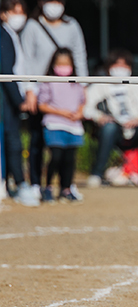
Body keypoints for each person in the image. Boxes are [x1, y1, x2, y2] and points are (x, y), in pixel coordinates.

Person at [22, 0, 89, 204]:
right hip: (41, 90)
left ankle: (67, 186)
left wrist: (84, 86)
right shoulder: (32, 26)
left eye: (58, 1)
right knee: (37, 141)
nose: (54, 6)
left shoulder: (72, 26)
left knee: (66, 147)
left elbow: (79, 56)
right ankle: (35, 184)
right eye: (50, 1)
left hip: (68, 92)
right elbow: (27, 60)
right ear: (41, 3)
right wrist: (29, 90)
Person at [84, 49, 138, 188]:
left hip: (136, 129)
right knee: (108, 129)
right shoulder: (99, 85)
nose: (120, 69)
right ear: (108, 67)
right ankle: (96, 174)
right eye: (116, 65)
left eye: (124, 66)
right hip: (114, 130)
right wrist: (99, 117)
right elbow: (85, 108)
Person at [35, 48, 87, 202]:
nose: (63, 66)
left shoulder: (76, 83)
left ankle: (66, 188)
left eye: (67, 63)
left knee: (69, 159)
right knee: (56, 156)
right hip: (54, 124)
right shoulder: (48, 81)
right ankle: (48, 187)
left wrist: (79, 113)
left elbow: (83, 102)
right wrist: (62, 112)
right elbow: (42, 105)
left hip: (73, 125)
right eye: (60, 63)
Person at [1, 0, 33, 203]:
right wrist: (18, 99)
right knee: (11, 142)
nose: (19, 17)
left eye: (22, 12)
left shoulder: (13, 35)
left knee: (12, 142)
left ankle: (13, 183)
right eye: (14, 11)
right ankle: (17, 184)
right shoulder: (3, 35)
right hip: (6, 100)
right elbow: (6, 70)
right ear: (3, 14)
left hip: (11, 99)